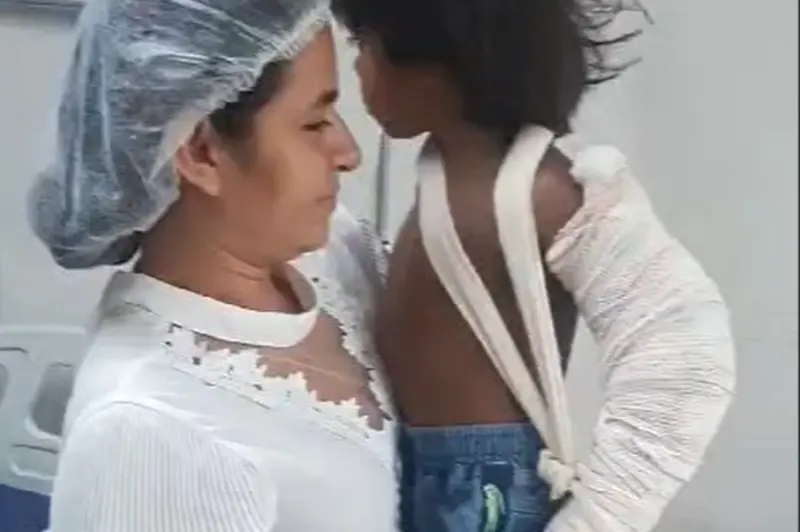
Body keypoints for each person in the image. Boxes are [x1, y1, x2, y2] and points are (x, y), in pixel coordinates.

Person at [333, 0, 737, 530]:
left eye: (364, 45)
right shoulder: (443, 174)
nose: (356, 68)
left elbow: (685, 350)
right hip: (424, 473)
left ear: (440, 62)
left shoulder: (541, 192)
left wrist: (598, 518)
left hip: (487, 494)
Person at [30, 0, 397, 530]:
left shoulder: (335, 250)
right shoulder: (146, 435)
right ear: (200, 152)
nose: (348, 152)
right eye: (314, 123)